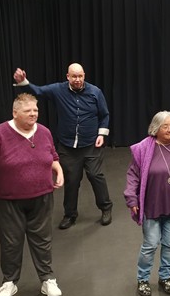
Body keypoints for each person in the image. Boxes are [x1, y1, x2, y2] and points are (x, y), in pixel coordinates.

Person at [0, 93, 64, 296]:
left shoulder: (44, 131)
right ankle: (9, 282)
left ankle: (47, 279)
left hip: (42, 197)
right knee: (11, 243)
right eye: (28, 111)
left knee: (43, 241)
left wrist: (58, 169)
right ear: (15, 113)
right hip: (9, 201)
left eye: (35, 110)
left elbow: (52, 155)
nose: (33, 114)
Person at [13, 63, 113, 229]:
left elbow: (104, 115)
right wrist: (23, 82)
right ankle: (70, 215)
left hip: (91, 144)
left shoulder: (95, 92)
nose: (77, 79)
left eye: (80, 76)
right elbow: (37, 91)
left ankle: (106, 208)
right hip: (67, 146)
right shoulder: (58, 90)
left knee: (95, 176)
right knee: (71, 180)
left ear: (84, 75)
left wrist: (101, 134)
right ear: (68, 76)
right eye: (74, 76)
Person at [123, 111, 170, 296]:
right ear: (155, 129)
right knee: (151, 244)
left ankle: (165, 277)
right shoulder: (143, 148)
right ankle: (143, 279)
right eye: (166, 126)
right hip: (152, 205)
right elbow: (133, 175)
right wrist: (131, 198)